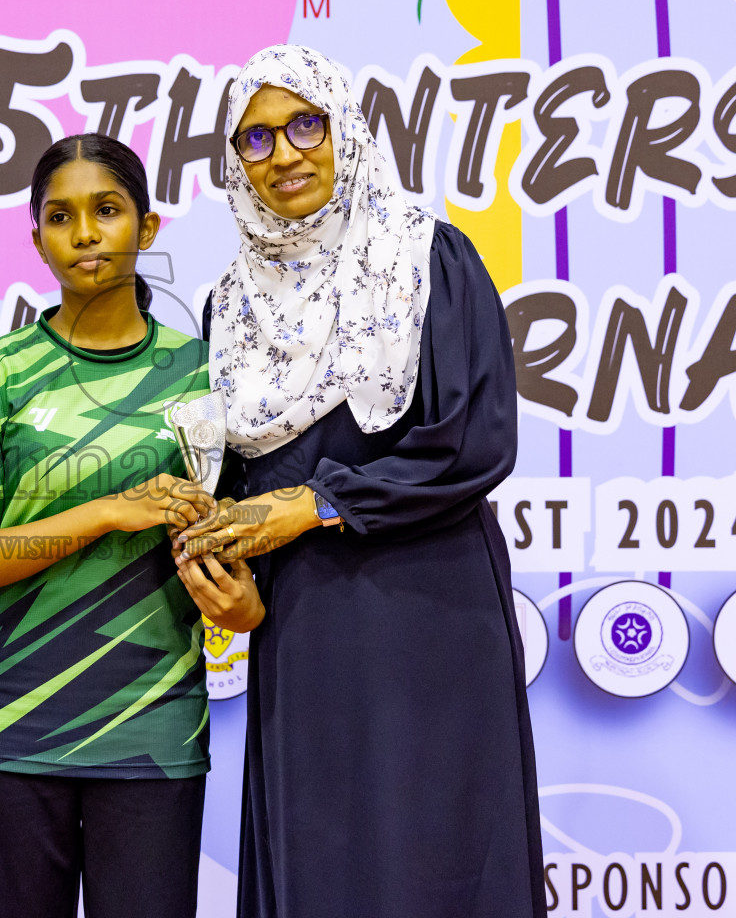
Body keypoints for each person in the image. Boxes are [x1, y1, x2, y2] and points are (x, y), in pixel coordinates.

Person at [173, 45, 544, 918]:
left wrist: (317, 503)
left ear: (346, 130)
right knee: (322, 853)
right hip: (304, 627)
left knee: (440, 848)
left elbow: (475, 442)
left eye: (306, 124)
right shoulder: (228, 305)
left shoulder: (428, 258)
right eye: (255, 140)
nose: (285, 155)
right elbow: (237, 482)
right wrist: (228, 580)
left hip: (429, 612)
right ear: (235, 165)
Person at [0, 133, 220, 918]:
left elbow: (229, 543)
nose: (85, 233)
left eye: (107, 210)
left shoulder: (203, 375)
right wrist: (103, 513)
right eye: (61, 216)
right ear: (38, 240)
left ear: (147, 229)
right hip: (11, 727)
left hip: (152, 727)